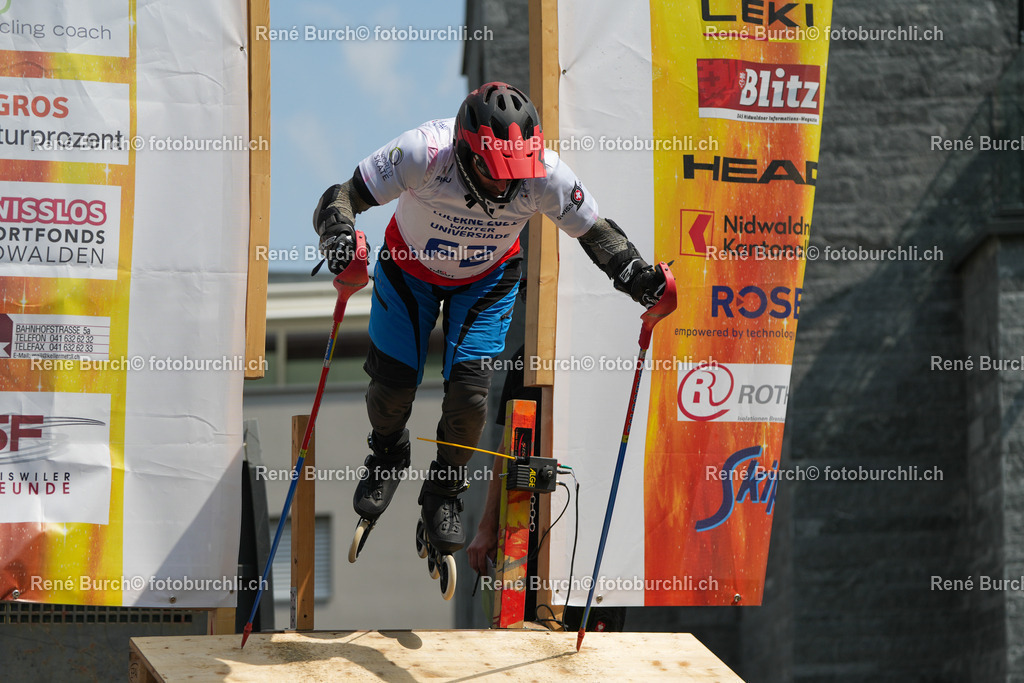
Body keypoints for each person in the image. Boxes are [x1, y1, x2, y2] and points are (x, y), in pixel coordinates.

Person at [313, 82, 664, 562]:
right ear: (463, 149)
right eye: (493, 172)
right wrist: (337, 232)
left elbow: (598, 234)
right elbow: (342, 195)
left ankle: (445, 489)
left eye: (515, 174)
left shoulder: (546, 173)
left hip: (487, 279)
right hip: (408, 268)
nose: (504, 186)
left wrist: (639, 277)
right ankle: (388, 452)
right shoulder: (423, 151)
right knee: (393, 386)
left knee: (470, 397)